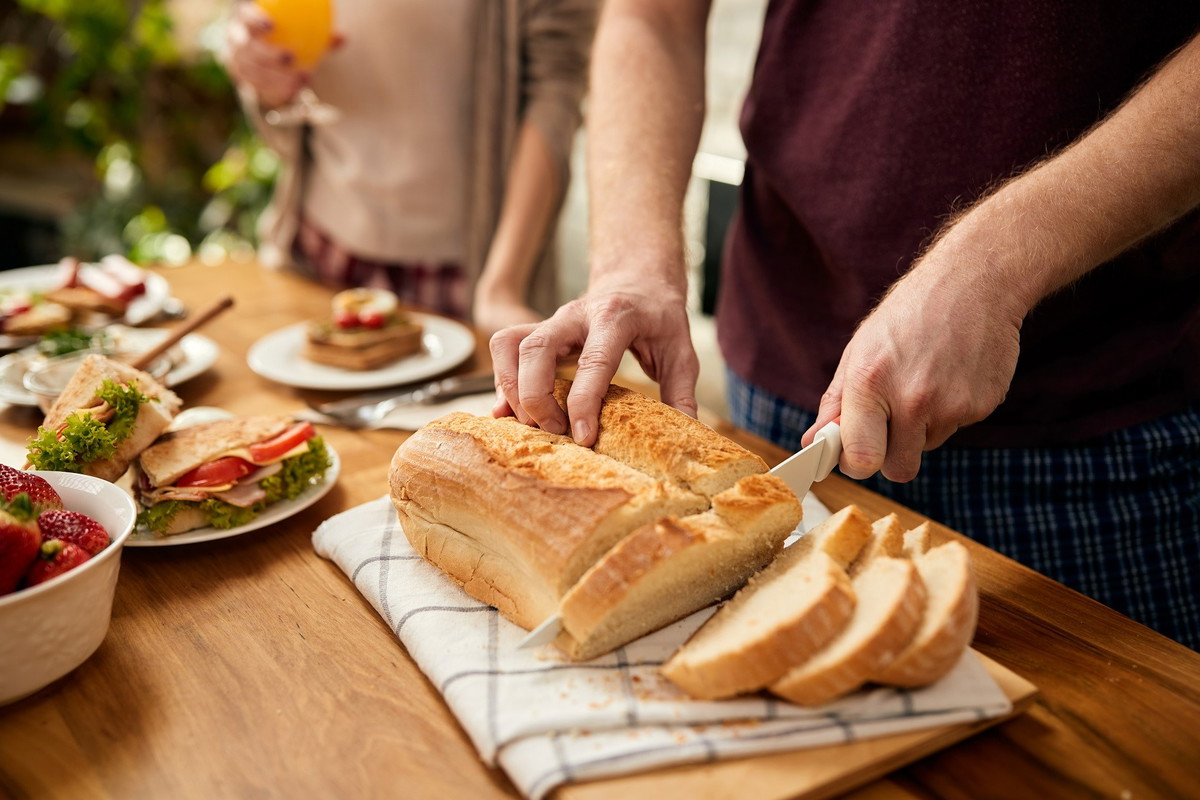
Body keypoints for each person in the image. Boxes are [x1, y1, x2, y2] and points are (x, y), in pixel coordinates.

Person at [490, 1, 1200, 650]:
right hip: (778, 394)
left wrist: (996, 265)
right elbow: (653, 19)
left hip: (1109, 440)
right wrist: (631, 265)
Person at [224, 0, 598, 336]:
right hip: (320, 253)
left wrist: (502, 287)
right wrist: (265, 73)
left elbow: (554, 100)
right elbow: (260, 41)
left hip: (470, 275)